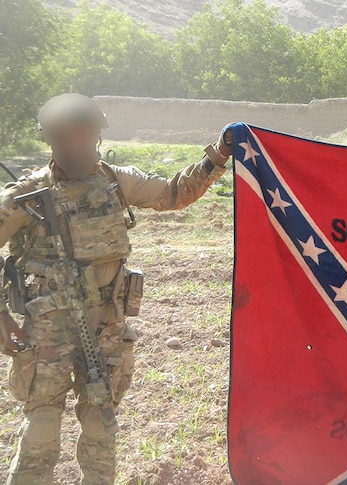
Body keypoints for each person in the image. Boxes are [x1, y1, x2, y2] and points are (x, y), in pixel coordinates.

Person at [0, 93, 233, 485]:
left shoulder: (117, 181)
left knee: (99, 426)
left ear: (96, 136)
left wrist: (220, 155)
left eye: (83, 135)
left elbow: (176, 193)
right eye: (65, 137)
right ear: (50, 141)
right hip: (48, 333)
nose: (76, 145)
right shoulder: (26, 196)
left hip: (106, 328)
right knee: (41, 427)